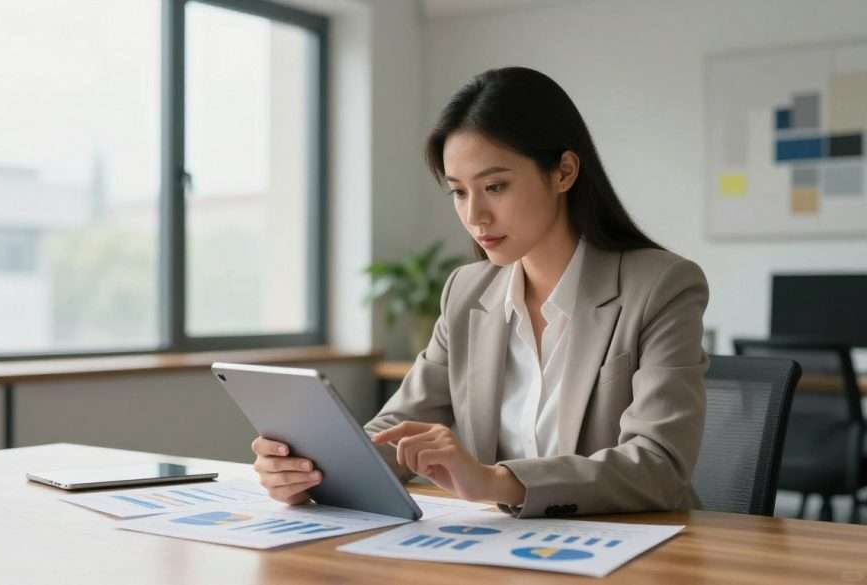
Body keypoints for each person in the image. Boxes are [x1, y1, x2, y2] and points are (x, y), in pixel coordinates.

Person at [251, 67, 708, 518]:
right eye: (458, 192)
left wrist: (495, 481)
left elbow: (659, 465)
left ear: (564, 172)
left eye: (495, 186)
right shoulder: (467, 291)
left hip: (638, 550)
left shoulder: (660, 286)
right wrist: (313, 473)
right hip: (505, 550)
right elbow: (400, 426)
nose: (475, 216)